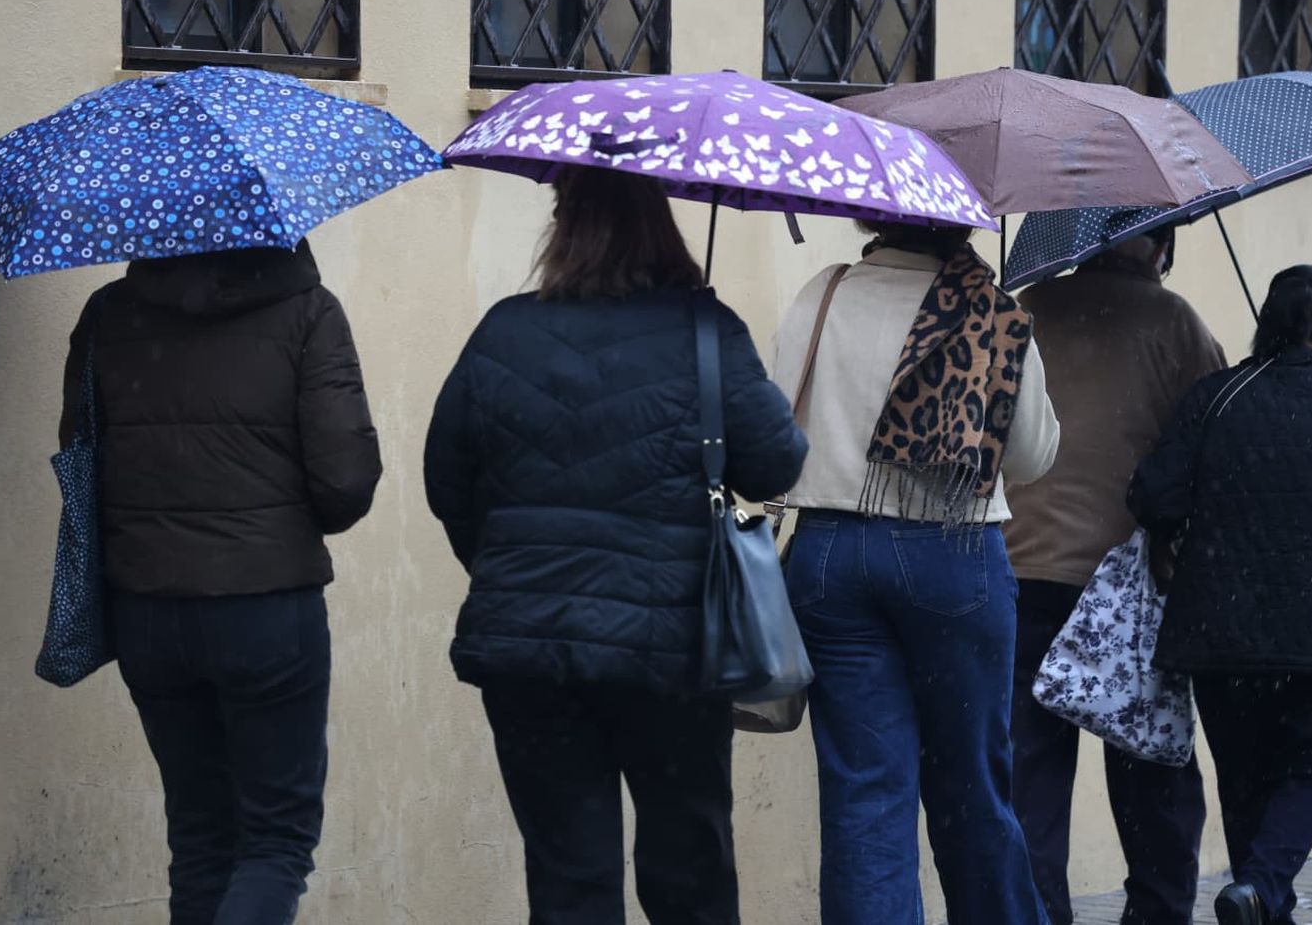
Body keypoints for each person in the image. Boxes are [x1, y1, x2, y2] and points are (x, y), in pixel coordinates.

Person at [423, 167, 807, 925]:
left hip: (529, 652)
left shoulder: (504, 330)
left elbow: (448, 482)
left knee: (569, 876)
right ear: (657, 225)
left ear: (563, 229)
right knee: (690, 867)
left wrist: (514, 570)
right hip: (670, 651)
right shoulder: (705, 329)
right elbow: (779, 461)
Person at [59, 241, 382, 924]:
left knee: (201, 838)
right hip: (266, 608)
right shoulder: (308, 311)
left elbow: (82, 450)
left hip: (146, 606)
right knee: (276, 841)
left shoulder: (109, 313)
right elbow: (345, 484)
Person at [771, 221, 1060, 925]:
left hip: (830, 553)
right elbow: (1031, 456)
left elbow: (776, 426)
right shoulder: (992, 309)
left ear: (872, 216)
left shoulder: (825, 291)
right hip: (953, 554)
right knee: (972, 787)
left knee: (865, 795)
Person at [1128, 265, 1312, 925]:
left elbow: (1152, 495)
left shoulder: (1214, 399)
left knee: (1246, 789)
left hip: (1225, 638)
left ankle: (1256, 894)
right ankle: (1257, 890)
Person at [1003, 228, 1223, 925]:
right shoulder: (1176, 324)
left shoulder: (1026, 308)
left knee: (1028, 781)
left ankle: (1038, 915)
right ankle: (1156, 914)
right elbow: (1212, 446)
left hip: (1022, 571)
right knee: (1153, 774)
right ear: (1156, 242)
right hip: (1129, 592)